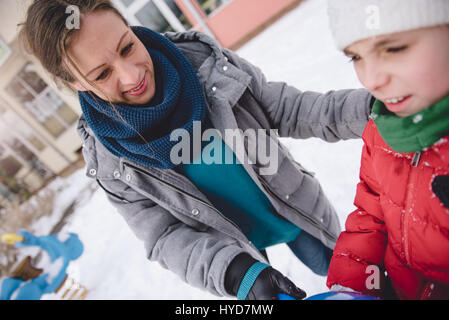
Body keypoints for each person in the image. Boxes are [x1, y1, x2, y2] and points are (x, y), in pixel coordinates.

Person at [19, 0, 373, 300]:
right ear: (73, 83)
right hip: (235, 251)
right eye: (101, 74)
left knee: (364, 282)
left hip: (297, 214)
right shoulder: (111, 161)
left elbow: (289, 109)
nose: (131, 76)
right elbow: (163, 236)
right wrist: (234, 272)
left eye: (127, 47)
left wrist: (376, 109)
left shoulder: (208, 65)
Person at [326, 0, 449, 300]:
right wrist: (352, 286)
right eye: (355, 56)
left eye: (394, 49)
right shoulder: (380, 129)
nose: (372, 80)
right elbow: (372, 213)